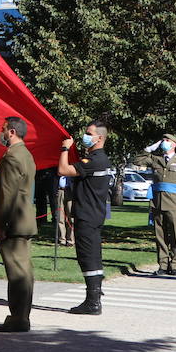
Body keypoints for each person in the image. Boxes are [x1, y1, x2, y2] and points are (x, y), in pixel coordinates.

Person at [58, 122, 113, 315]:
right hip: (94, 214)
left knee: (87, 256)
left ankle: (92, 302)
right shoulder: (100, 159)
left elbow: (63, 170)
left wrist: (64, 148)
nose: (85, 136)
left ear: (99, 138)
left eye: (89, 134)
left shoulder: (95, 160)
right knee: (94, 256)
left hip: (87, 215)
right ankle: (95, 296)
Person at [0, 116, 37, 333]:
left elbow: (8, 194)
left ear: (12, 132)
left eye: (3, 129)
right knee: (23, 270)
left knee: (17, 272)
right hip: (23, 219)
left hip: (13, 221)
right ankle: (20, 316)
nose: (1, 133)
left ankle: (19, 318)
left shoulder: (11, 157)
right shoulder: (25, 154)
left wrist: (1, 223)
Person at [131, 133, 176, 276]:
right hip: (158, 202)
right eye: (163, 140)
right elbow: (137, 160)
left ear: (174, 144)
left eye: (167, 140)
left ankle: (175, 265)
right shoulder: (155, 159)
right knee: (160, 235)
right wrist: (149, 149)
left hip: (175, 202)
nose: (164, 142)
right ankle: (163, 265)